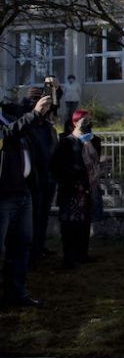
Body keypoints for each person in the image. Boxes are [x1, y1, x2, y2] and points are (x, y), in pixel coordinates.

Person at [0, 94, 52, 307]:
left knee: (21, 247)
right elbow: (8, 134)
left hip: (23, 192)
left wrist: (44, 106)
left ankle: (17, 293)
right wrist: (35, 114)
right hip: (2, 195)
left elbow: (25, 122)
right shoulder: (8, 125)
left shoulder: (8, 115)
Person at [52, 110, 103, 269]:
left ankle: (82, 254)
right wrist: (75, 173)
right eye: (84, 121)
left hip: (87, 187)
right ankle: (69, 257)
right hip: (71, 189)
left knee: (84, 222)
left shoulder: (93, 141)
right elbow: (57, 166)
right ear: (75, 122)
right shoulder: (66, 143)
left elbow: (95, 162)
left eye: (89, 121)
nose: (88, 124)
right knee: (70, 224)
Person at [22, 87, 59, 267]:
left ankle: (40, 246)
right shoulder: (28, 126)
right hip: (33, 180)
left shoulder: (48, 127)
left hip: (48, 178)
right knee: (33, 217)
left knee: (43, 215)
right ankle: (31, 253)